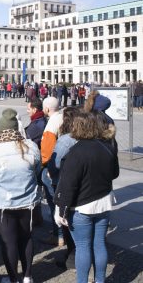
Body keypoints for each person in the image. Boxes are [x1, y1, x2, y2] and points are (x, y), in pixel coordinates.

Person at [54, 112, 119, 283]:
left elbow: (68, 185)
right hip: (103, 203)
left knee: (83, 247)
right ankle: (100, 280)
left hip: (82, 207)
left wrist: (61, 210)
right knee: (99, 244)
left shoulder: (75, 152)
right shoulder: (107, 147)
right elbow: (115, 173)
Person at [0, 108, 41, 283]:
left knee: (9, 241)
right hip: (27, 200)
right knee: (26, 237)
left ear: (0, 129)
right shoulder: (31, 146)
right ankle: (28, 276)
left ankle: (13, 278)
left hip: (2, 203)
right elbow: (37, 170)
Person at [47, 107, 81, 270]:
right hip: (87, 187)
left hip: (67, 185)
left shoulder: (65, 140)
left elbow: (56, 164)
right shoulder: (89, 137)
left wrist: (50, 173)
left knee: (68, 221)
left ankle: (72, 256)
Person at [40, 97, 64, 247]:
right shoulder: (62, 117)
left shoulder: (51, 124)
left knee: (53, 202)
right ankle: (61, 233)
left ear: (47, 109)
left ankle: (58, 235)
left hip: (53, 169)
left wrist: (45, 168)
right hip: (64, 167)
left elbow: (47, 152)